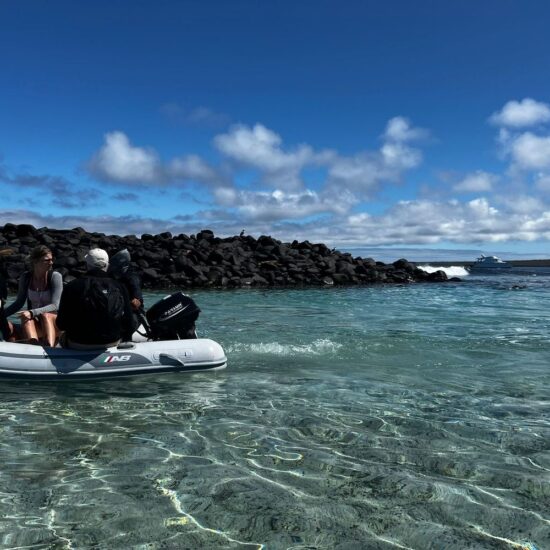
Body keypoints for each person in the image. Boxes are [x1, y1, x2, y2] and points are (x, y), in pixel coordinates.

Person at [56, 248, 133, 349]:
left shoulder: (72, 286)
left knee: (60, 336)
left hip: (79, 343)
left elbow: (61, 324)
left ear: (86, 265)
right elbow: (129, 321)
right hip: (111, 342)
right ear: (107, 265)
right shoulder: (120, 286)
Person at [4, 245, 63, 346]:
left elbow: (55, 305)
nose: (51, 263)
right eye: (46, 260)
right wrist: (2, 315)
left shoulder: (55, 277)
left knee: (45, 315)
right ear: (35, 261)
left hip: (54, 322)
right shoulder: (26, 277)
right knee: (22, 318)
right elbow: (18, 303)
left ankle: (49, 347)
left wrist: (32, 312)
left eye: (52, 259)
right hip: (36, 321)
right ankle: (33, 346)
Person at [108, 249, 146, 333]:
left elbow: (137, 302)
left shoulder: (132, 277)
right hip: (119, 312)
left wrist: (124, 306)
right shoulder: (115, 276)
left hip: (133, 314)